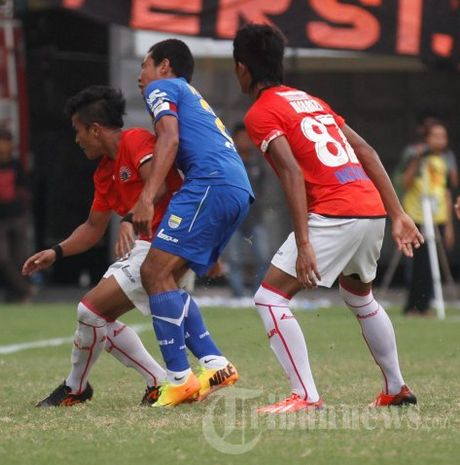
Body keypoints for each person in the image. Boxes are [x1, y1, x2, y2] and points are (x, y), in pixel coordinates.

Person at [233, 23, 423, 412]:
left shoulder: (261, 112)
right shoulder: (311, 100)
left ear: (242, 69)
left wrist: (304, 244)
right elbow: (366, 151)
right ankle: (396, 387)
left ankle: (306, 395)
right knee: (359, 296)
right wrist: (397, 213)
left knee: (269, 298)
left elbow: (289, 171)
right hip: (369, 209)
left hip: (335, 212)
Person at [23, 86, 183, 407]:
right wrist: (56, 252)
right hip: (146, 247)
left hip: (167, 242)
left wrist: (127, 217)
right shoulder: (104, 172)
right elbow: (92, 228)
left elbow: (160, 181)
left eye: (78, 131)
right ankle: (157, 381)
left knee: (90, 310)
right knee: (97, 319)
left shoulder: (134, 140)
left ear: (95, 129)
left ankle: (76, 388)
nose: (77, 139)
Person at [132, 39, 253, 407]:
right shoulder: (189, 93)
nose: (141, 76)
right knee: (166, 277)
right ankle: (215, 364)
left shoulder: (162, 87)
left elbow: (170, 137)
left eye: (145, 65)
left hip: (210, 183)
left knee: (153, 272)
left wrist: (147, 196)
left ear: (164, 66)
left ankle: (180, 379)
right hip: (235, 187)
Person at [401, 122, 454, 316]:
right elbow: (405, 182)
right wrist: (417, 158)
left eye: (444, 136)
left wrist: (449, 225)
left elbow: (447, 189)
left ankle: (426, 303)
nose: (441, 140)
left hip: (437, 216)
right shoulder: (415, 156)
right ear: (427, 138)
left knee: (433, 264)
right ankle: (414, 305)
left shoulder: (445, 159)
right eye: (436, 136)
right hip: (418, 217)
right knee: (419, 264)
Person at [0, 128, 33, 302]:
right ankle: (26, 289)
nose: (2, 146)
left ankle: (17, 294)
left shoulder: (16, 165)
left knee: (20, 257)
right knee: (3, 258)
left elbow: (25, 189)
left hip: (18, 216)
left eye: (5, 141)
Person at [224, 123, 271, 298]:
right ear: (235, 139)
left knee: (263, 258)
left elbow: (262, 189)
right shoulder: (230, 160)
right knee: (234, 259)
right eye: (241, 138)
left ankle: (256, 294)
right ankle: (237, 296)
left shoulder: (257, 162)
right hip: (234, 219)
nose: (245, 141)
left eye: (248, 138)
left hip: (255, 218)